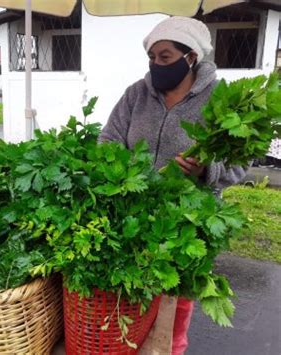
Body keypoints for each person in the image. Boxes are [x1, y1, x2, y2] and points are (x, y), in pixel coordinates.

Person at [99, 17, 247, 355]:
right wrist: (124, 170)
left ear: (191, 56)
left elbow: (240, 164)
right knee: (132, 296)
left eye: (165, 57)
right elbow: (108, 138)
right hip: (134, 211)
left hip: (189, 221)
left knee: (174, 303)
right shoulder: (136, 93)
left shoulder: (219, 102)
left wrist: (206, 170)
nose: (155, 65)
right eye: (152, 57)